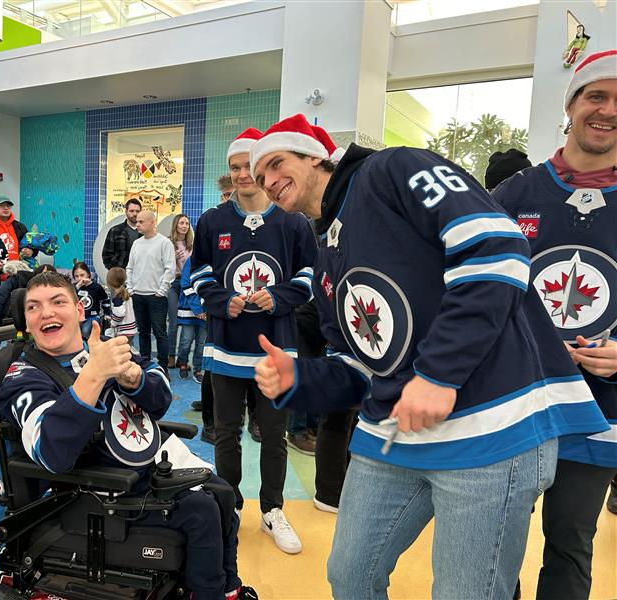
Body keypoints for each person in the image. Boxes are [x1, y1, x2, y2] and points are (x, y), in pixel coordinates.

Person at [249, 113, 609, 598]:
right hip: (393, 436)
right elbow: (361, 365)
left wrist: (439, 374)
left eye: (276, 164)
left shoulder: (391, 171)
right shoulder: (325, 253)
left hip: (489, 430)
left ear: (315, 155)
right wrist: (300, 377)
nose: (269, 182)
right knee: (350, 575)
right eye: (257, 178)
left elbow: (496, 247)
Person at [0, 271, 255, 600]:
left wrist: (135, 380)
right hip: (93, 491)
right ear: (28, 323)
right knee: (200, 510)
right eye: (34, 308)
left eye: (57, 302)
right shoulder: (23, 377)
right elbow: (52, 451)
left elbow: (160, 396)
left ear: (78, 310)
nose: (46, 312)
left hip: (140, 469)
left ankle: (228, 589)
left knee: (223, 493)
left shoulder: (103, 350)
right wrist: (93, 376)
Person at [493, 50, 617, 600]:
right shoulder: (511, 196)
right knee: (496, 542)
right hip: (516, 404)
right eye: (597, 95)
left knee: (570, 542)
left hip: (598, 409)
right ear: (570, 105)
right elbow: (472, 293)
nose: (608, 110)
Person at [190, 128, 317, 555]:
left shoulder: (294, 223)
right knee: (225, 434)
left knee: (275, 435)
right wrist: (224, 300)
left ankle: (272, 510)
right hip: (226, 348)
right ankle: (228, 506)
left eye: (249, 166)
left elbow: (309, 277)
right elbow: (199, 273)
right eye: (235, 168)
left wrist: (279, 296)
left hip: (274, 351)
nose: (243, 174)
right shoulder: (212, 221)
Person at [126, 210, 176, 370]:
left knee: (160, 333)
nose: (137, 224)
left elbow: (170, 269)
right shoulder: (136, 243)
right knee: (143, 332)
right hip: (138, 295)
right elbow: (130, 268)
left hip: (157, 297)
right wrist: (130, 289)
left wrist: (161, 291)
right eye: (137, 222)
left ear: (152, 223)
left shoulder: (164, 243)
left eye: (141, 222)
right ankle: (145, 365)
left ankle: (162, 367)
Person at [167, 213, 193, 369]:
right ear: (176, 225)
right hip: (174, 284)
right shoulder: (168, 243)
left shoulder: (192, 244)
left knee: (188, 322)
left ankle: (182, 359)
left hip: (188, 285)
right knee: (174, 322)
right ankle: (171, 355)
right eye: (182, 223)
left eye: (187, 223)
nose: (184, 226)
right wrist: (172, 257)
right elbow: (161, 265)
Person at [176, 257, 207, 382]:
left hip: (206, 310)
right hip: (189, 307)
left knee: (201, 343)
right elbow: (185, 283)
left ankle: (197, 369)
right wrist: (197, 308)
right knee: (186, 340)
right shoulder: (191, 260)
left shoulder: (215, 258)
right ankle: (183, 363)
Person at [102, 198, 141, 270]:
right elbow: (106, 255)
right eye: (131, 211)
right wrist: (114, 270)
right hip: (120, 275)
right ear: (126, 212)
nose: (135, 214)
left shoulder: (144, 233)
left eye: (137, 211)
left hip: (140, 275)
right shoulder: (115, 231)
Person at [0, 195, 30, 262]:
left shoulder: (19, 226)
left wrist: (31, 251)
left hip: (17, 268)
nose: (6, 208)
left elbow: (30, 245)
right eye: (2, 205)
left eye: (8, 206)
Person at [72, 261, 109, 326]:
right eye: (76, 276)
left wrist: (107, 313)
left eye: (82, 275)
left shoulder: (97, 287)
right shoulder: (74, 287)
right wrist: (78, 287)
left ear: (88, 274)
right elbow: (69, 296)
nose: (79, 278)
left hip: (92, 317)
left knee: (85, 330)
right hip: (77, 317)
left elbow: (105, 300)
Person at [105, 266, 137, 343]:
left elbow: (119, 314)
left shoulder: (118, 297)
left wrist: (112, 323)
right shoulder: (125, 293)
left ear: (110, 282)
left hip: (123, 331)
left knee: (122, 352)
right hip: (130, 329)